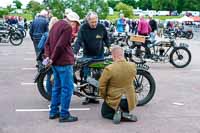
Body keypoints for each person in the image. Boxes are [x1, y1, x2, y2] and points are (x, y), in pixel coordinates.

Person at [44, 12, 80, 123]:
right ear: (72, 21)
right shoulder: (67, 27)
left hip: (55, 63)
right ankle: (64, 114)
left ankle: (53, 112)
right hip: (64, 62)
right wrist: (52, 58)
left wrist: (49, 57)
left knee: (57, 88)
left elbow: (48, 44)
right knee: (67, 89)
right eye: (75, 23)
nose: (75, 26)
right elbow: (61, 45)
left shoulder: (56, 24)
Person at [74, 11, 110, 105]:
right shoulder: (83, 28)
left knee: (98, 76)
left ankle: (94, 96)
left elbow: (106, 39)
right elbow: (78, 41)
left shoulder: (101, 27)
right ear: (88, 20)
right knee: (86, 76)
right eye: (92, 22)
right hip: (87, 55)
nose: (94, 24)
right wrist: (74, 52)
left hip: (99, 55)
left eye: (95, 21)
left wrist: (110, 48)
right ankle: (87, 96)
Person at [99, 46, 138, 124]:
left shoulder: (109, 68)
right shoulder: (133, 66)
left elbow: (102, 86)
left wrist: (104, 97)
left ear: (113, 56)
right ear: (123, 55)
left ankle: (120, 113)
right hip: (129, 100)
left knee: (105, 113)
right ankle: (124, 112)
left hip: (115, 100)